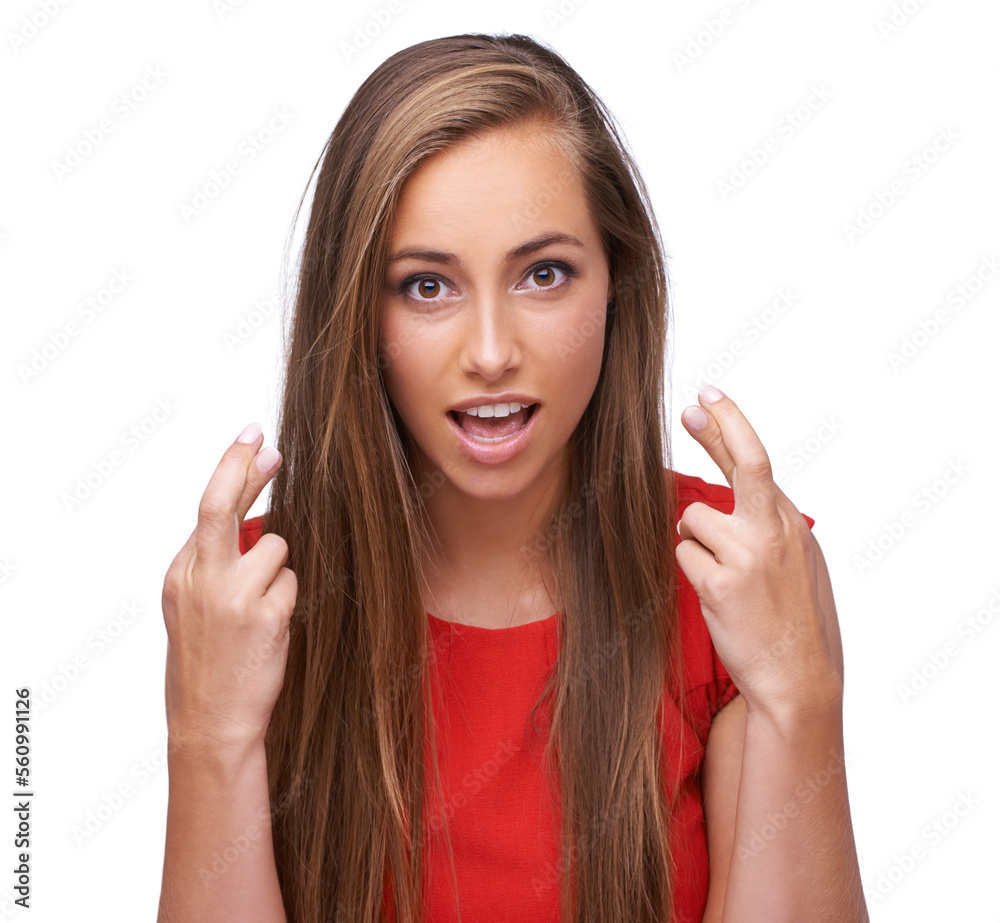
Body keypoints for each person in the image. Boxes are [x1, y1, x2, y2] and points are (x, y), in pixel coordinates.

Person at [156, 32, 867, 923]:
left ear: (617, 284)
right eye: (427, 286)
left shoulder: (737, 573)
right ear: (355, 312)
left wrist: (800, 696)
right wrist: (208, 738)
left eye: (543, 273)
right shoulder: (248, 601)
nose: (491, 353)